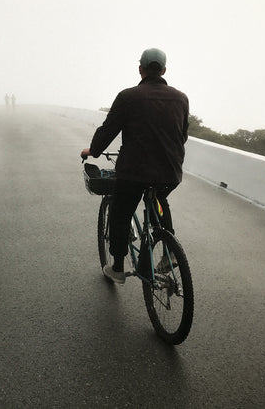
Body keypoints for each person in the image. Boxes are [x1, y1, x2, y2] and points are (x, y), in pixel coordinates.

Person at [81, 48, 189, 284]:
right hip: (170, 171)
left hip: (134, 172)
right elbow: (183, 135)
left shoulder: (128, 96)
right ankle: (169, 249)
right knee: (160, 200)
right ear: (164, 70)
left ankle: (118, 268)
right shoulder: (181, 98)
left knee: (121, 211)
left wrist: (94, 151)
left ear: (140, 69)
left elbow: (108, 130)